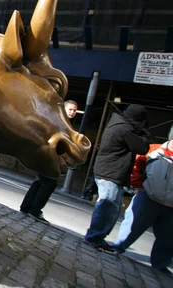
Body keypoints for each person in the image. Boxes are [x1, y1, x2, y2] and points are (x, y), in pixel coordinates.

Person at [83, 104, 150, 252]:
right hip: (111, 172)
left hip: (109, 171)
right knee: (107, 206)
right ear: (139, 120)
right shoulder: (125, 129)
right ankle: (94, 238)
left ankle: (96, 237)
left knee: (113, 207)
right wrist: (144, 133)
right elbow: (142, 147)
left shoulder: (118, 124)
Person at [112, 128, 173, 275]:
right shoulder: (154, 150)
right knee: (132, 225)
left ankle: (160, 264)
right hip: (148, 197)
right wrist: (138, 184)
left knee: (168, 237)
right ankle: (117, 248)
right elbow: (135, 166)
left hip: (171, 206)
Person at [20, 100, 78, 223]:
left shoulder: (63, 122)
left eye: (74, 110)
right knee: (49, 183)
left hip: (48, 155)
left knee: (40, 181)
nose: (73, 112)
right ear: (64, 109)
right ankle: (34, 210)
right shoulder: (61, 123)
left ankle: (26, 207)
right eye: (70, 109)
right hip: (50, 156)